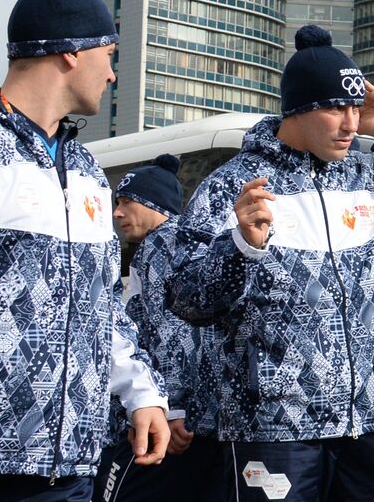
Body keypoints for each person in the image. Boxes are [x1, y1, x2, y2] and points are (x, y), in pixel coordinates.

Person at [168, 25, 374, 502]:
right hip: (274, 429)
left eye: (357, 107)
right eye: (336, 107)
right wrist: (241, 247)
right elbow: (187, 300)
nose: (351, 123)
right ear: (296, 109)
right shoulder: (231, 187)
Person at [0, 0, 168, 501]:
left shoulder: (88, 172)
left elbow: (100, 304)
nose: (113, 73)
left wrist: (143, 394)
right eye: (109, 54)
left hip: (67, 458)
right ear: (72, 52)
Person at [96, 154, 223, 502]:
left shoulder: (159, 245)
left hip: (168, 422)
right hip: (203, 418)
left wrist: (173, 409)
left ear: (155, 203)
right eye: (115, 203)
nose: (117, 213)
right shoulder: (188, 242)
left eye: (127, 202)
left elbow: (171, 334)